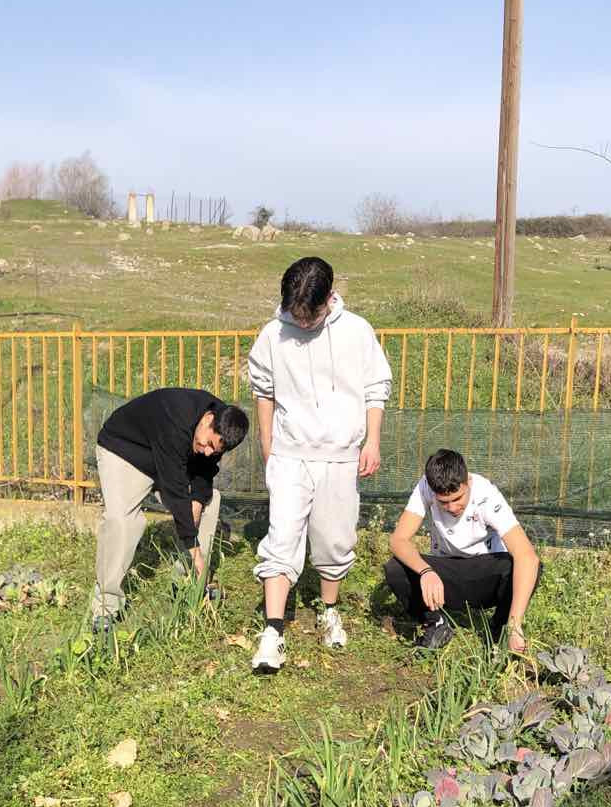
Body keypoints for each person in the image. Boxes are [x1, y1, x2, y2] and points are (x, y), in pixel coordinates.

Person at [247, 255, 391, 673]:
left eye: (312, 314)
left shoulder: (356, 332)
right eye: (297, 314)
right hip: (291, 455)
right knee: (282, 535)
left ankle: (329, 611)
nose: (304, 322)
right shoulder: (273, 335)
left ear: (330, 297)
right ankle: (273, 631)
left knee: (334, 538)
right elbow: (263, 390)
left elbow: (374, 388)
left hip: (340, 455)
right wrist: (268, 445)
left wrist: (372, 440)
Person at [91, 387, 249, 629]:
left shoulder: (220, 425)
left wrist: (197, 502)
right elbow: (175, 491)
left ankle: (186, 583)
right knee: (122, 522)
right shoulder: (176, 418)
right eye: (207, 443)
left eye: (214, 450)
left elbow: (204, 471)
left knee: (210, 500)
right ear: (207, 421)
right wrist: (193, 545)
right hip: (125, 453)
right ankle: (105, 606)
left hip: (165, 458)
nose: (208, 451)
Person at [384, 448, 541, 653]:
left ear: (467, 482)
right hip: (446, 573)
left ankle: (501, 627)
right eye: (443, 502)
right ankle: (436, 624)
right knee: (395, 568)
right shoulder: (425, 486)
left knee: (526, 567)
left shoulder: (486, 495)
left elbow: (527, 555)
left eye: (457, 498)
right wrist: (426, 571)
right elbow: (398, 540)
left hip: (484, 572)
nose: (451, 507)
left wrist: (515, 623)